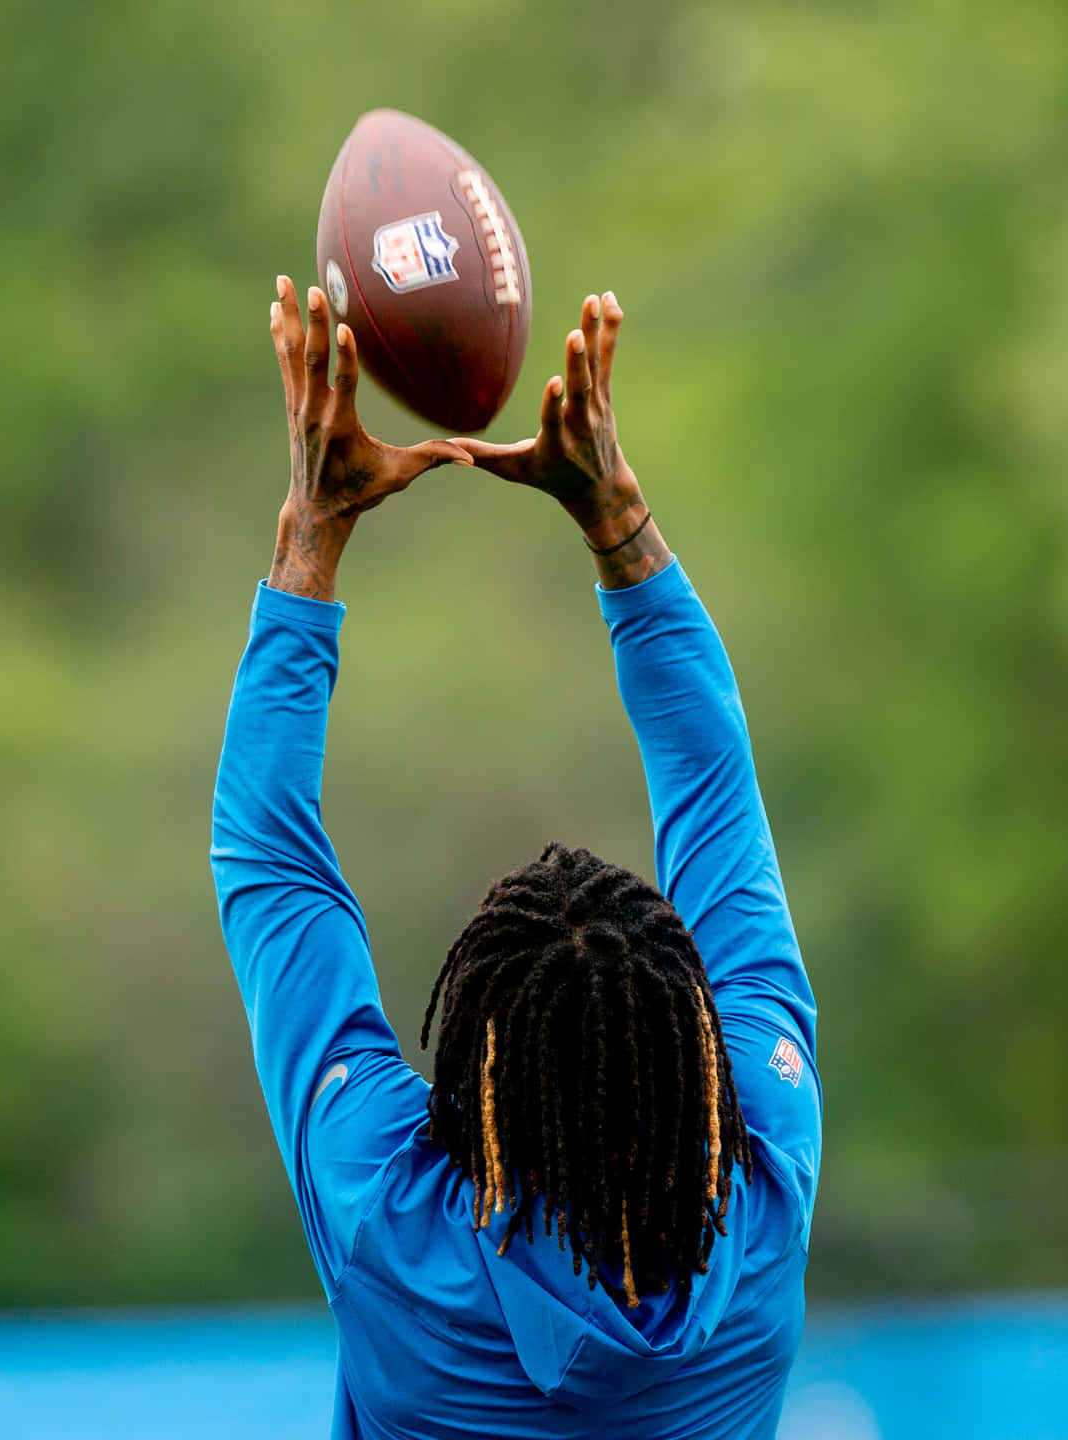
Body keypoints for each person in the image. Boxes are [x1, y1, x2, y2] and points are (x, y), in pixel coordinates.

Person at [211, 275, 821, 1438]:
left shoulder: (389, 1219)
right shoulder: (765, 1188)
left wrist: (314, 530)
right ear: (695, 1044)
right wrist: (620, 526)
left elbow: (269, 861)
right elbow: (720, 800)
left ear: (480, 1086)